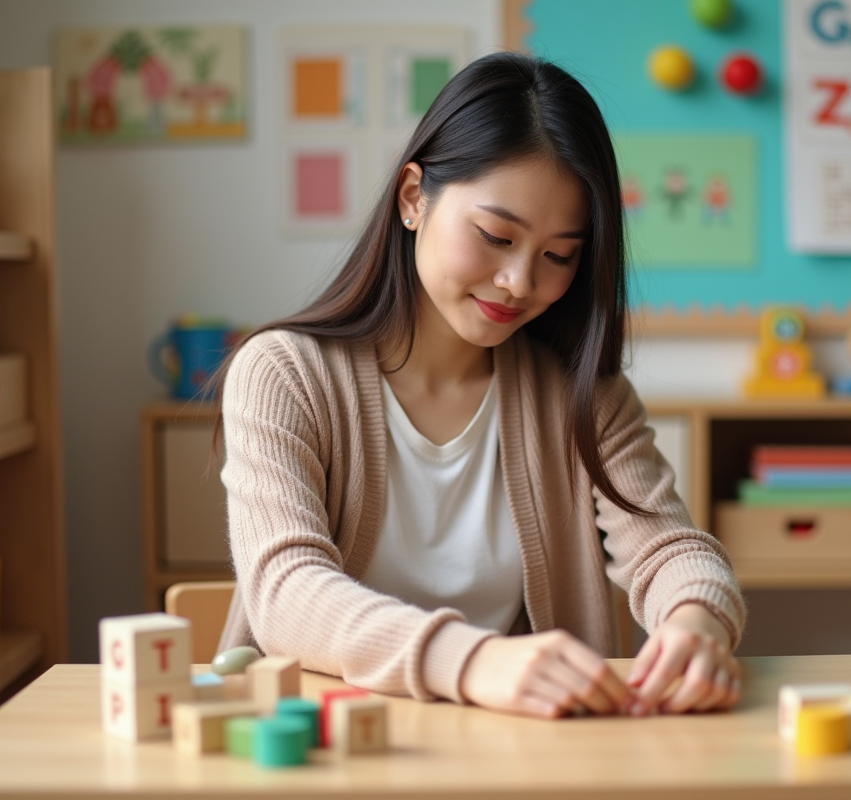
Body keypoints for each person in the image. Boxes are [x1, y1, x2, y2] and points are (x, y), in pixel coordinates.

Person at [214, 51, 745, 719]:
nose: (521, 282)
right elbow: (285, 592)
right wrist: (474, 660)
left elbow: (668, 548)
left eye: (558, 256)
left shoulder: (585, 396)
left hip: (516, 755)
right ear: (414, 199)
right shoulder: (284, 373)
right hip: (322, 749)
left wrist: (696, 621)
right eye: (497, 236)